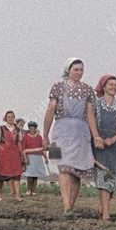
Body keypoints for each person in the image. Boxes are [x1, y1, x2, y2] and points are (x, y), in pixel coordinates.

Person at [43, 58, 102, 215]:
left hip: (81, 133)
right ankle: (66, 207)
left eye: (81, 70)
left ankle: (71, 207)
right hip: (59, 131)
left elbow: (90, 114)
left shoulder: (88, 90)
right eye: (76, 69)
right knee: (62, 167)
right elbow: (50, 110)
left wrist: (95, 136)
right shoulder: (57, 87)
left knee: (78, 171)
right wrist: (45, 135)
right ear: (68, 70)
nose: (79, 73)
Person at [93, 74, 116, 222]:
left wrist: (113, 139)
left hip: (115, 147)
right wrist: (97, 139)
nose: (113, 87)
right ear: (103, 87)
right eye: (110, 85)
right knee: (103, 178)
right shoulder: (96, 104)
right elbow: (91, 124)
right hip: (99, 146)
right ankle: (106, 215)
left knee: (114, 180)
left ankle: (103, 208)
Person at [0, 110, 25, 201]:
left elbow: (19, 143)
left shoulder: (18, 130)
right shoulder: (1, 128)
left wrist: (21, 154)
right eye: (8, 117)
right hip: (3, 154)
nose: (10, 118)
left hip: (14, 155)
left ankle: (18, 196)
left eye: (12, 117)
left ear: (14, 118)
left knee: (17, 175)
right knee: (1, 176)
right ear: (5, 118)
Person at [21, 121, 48, 195]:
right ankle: (28, 190)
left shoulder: (39, 137)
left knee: (35, 175)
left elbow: (42, 148)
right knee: (29, 175)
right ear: (29, 128)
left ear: (36, 128)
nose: (32, 129)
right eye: (30, 127)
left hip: (38, 158)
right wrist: (25, 158)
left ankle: (34, 190)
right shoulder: (25, 136)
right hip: (29, 157)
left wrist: (45, 158)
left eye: (33, 127)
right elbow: (23, 148)